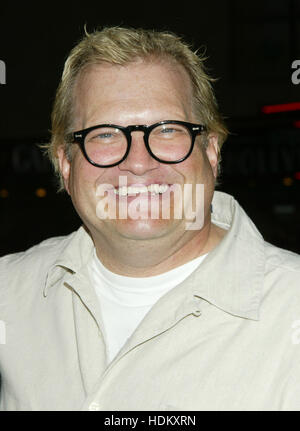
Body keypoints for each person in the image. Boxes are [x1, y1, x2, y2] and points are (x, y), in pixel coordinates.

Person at [1, 26, 300, 412]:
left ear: (211, 152)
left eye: (166, 130)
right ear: (65, 164)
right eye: (105, 134)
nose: (138, 162)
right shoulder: (11, 294)